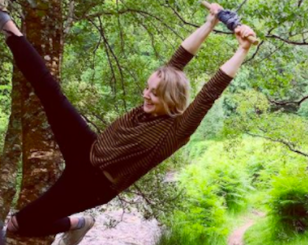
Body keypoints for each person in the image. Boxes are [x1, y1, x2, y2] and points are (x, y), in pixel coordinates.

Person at [0, 1, 256, 244]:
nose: (145, 94)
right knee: (50, 92)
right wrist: (210, 22)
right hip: (91, 148)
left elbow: (210, 92)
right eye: (147, 88)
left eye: (154, 93)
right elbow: (181, 57)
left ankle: (78, 223)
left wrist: (242, 49)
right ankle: (8, 27)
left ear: (171, 99)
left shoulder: (176, 131)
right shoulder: (153, 100)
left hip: (92, 184)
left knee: (18, 225)